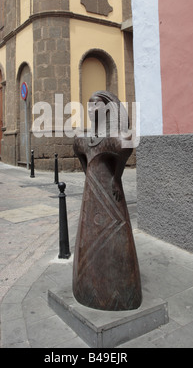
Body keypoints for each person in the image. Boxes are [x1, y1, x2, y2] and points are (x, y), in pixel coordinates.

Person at [72, 91, 142, 311]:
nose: (92, 111)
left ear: (107, 110)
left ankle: (121, 294)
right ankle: (85, 286)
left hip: (110, 198)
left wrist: (116, 177)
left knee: (116, 242)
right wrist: (90, 176)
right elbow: (83, 157)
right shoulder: (83, 139)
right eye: (90, 107)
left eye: (97, 107)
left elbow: (126, 145)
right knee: (88, 238)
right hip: (92, 194)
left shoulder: (113, 136)